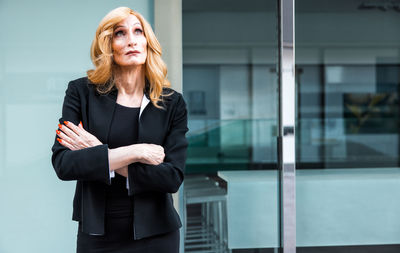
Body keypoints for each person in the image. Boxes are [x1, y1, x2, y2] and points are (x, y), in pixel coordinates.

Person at [51, 6, 188, 253]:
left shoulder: (171, 103)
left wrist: (97, 153)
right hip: (97, 236)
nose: (131, 40)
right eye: (120, 33)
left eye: (138, 31)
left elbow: (172, 177)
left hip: (157, 235)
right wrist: (136, 152)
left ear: (148, 41)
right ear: (108, 44)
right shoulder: (80, 93)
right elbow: (64, 163)